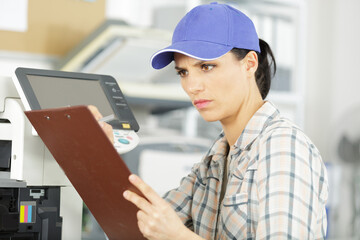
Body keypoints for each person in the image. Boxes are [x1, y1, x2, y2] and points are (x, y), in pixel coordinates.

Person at [99, 2, 328, 239]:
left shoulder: (284, 147)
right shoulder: (214, 161)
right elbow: (139, 227)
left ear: (249, 64)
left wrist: (179, 237)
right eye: (183, 72)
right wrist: (100, 155)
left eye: (207, 67)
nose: (192, 86)